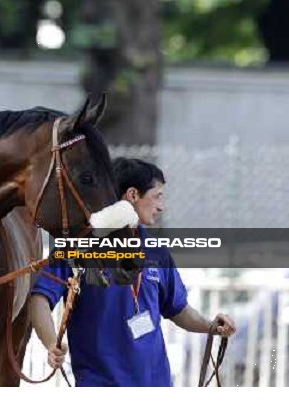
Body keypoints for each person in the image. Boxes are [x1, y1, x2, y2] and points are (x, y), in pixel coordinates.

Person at [30, 157, 236, 387]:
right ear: (132, 195)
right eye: (157, 196)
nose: (161, 207)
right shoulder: (78, 246)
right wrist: (51, 343)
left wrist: (211, 326)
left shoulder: (157, 253)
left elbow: (178, 310)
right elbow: (39, 299)